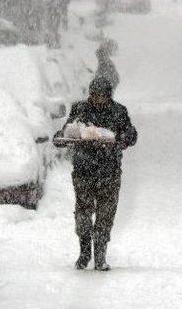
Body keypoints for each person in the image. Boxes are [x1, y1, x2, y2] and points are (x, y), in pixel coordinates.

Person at [53, 77, 138, 271]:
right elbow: (68, 132)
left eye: (101, 96)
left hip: (110, 171)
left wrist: (124, 138)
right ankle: (84, 251)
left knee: (105, 214)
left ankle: (100, 254)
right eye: (94, 95)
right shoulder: (80, 110)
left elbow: (130, 134)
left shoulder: (119, 112)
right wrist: (63, 137)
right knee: (83, 212)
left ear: (109, 96)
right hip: (84, 171)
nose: (97, 99)